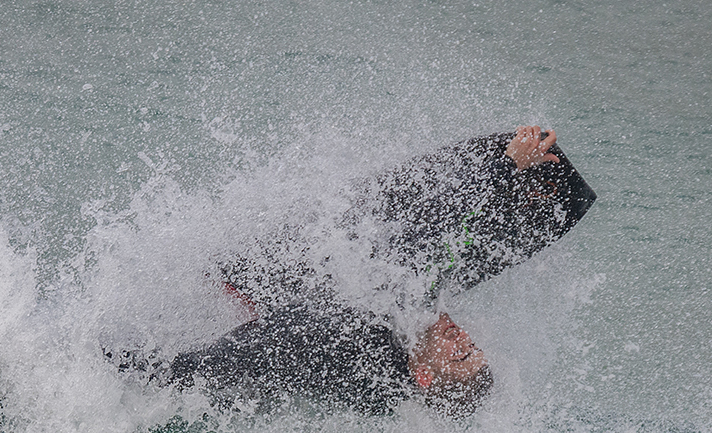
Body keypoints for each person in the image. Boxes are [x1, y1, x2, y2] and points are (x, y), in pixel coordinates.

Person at [110, 126, 595, 417]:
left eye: (460, 354)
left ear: (424, 378)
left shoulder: (374, 347)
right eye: (472, 346)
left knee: (165, 369)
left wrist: (506, 169)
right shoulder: (385, 379)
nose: (462, 336)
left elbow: (427, 250)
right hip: (267, 327)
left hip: (229, 346)